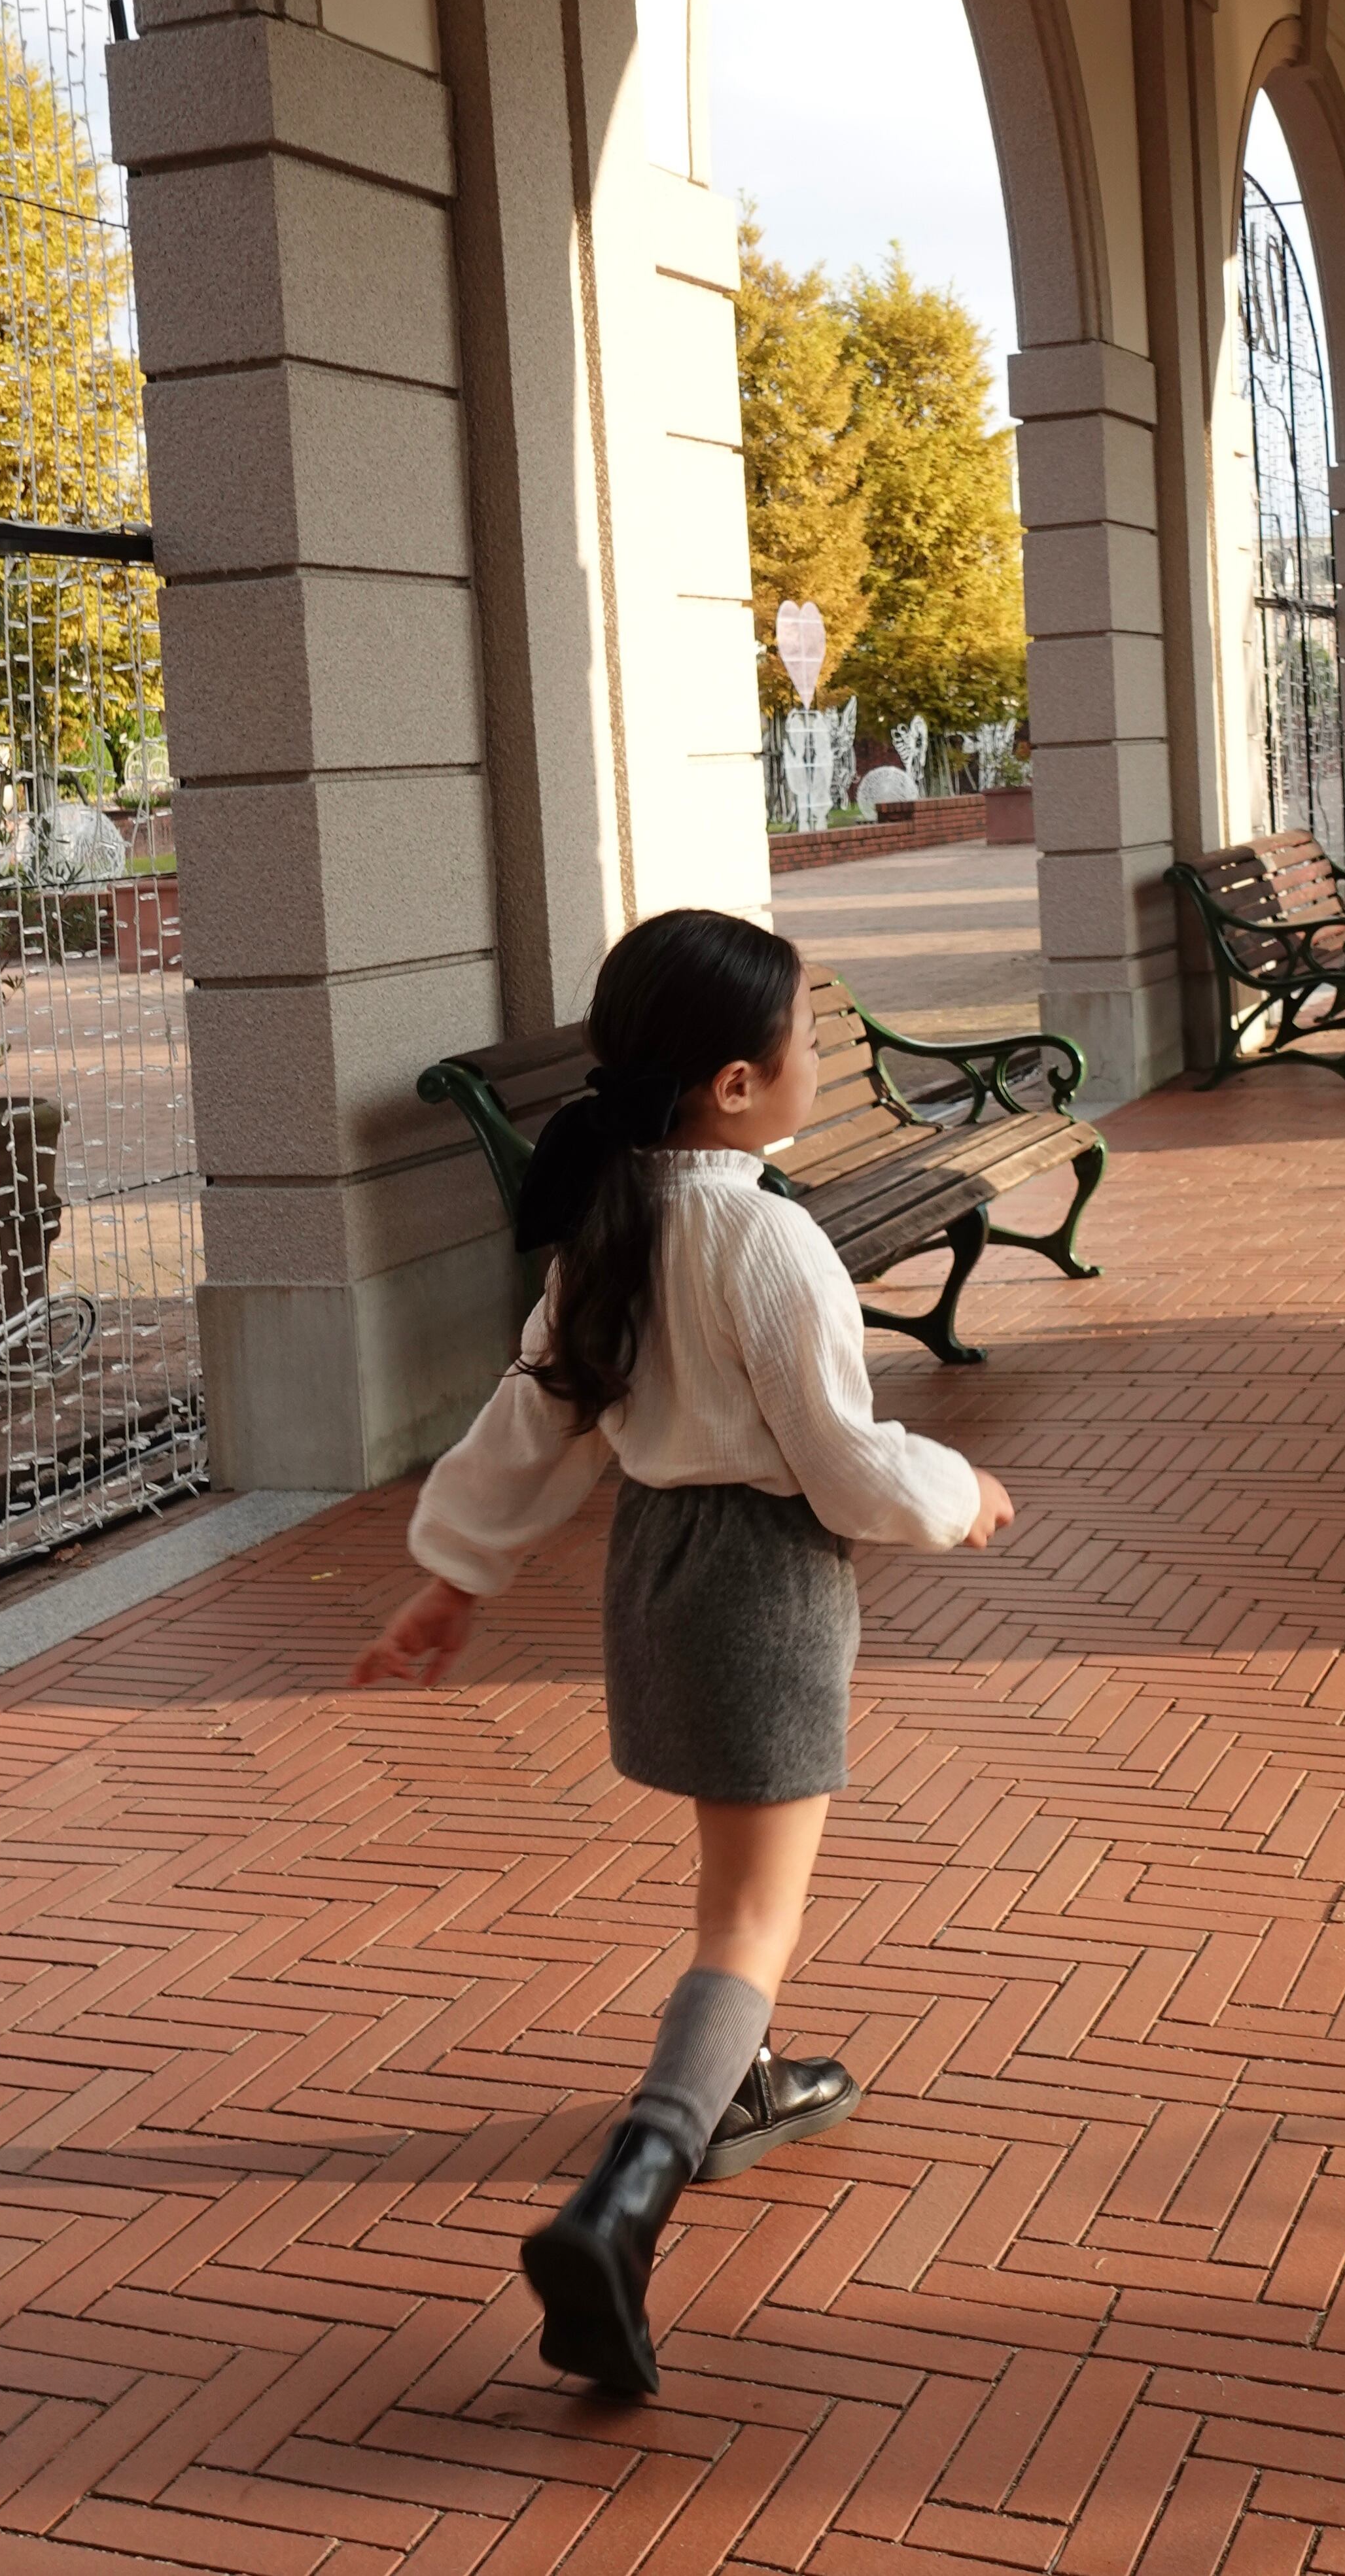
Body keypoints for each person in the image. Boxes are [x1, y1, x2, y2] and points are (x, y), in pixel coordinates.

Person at [352, 908, 1012, 2394]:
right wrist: (955, 1489)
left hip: (654, 1570)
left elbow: (535, 1413)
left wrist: (454, 1575)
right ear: (733, 1082)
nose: (816, 1059)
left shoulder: (615, 1220)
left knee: (730, 1891)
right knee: (749, 1922)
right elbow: (839, 1462)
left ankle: (742, 2081)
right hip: (760, 1584)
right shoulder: (767, 1236)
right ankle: (623, 2201)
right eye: (805, 1039)